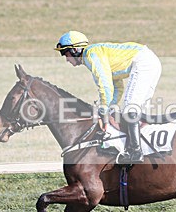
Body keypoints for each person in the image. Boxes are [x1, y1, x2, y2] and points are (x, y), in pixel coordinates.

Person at [55, 30, 162, 164]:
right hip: (150, 61)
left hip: (144, 62)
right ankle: (141, 149)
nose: (66, 59)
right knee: (135, 110)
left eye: (66, 53)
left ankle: (135, 151)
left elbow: (105, 86)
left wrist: (104, 111)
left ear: (75, 50)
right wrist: (109, 109)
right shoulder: (96, 55)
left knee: (130, 108)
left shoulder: (91, 55)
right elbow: (117, 87)